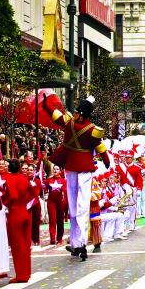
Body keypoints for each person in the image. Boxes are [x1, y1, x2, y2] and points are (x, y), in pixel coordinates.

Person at [41, 95, 110, 261]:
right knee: (78, 208)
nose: (76, 113)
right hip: (81, 167)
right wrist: (106, 159)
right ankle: (78, 243)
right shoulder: (92, 129)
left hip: (74, 166)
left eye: (78, 112)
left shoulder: (70, 122)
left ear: (83, 114)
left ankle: (79, 243)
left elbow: (56, 115)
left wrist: (46, 105)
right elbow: (99, 146)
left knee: (77, 207)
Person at [3, 159, 32, 281]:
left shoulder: (9, 178)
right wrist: (25, 201)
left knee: (17, 245)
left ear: (9, 168)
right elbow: (33, 192)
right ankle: (27, 272)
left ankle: (21, 275)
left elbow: (13, 195)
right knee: (25, 244)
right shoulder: (24, 178)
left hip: (15, 213)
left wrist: (5, 203)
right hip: (24, 210)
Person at [45, 165, 66, 245]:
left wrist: (62, 189)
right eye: (54, 169)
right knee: (52, 220)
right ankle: (52, 238)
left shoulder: (63, 180)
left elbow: (65, 190)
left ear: (60, 171)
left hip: (60, 202)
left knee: (60, 220)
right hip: (51, 202)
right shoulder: (49, 180)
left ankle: (59, 238)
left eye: (57, 169)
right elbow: (45, 190)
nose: (55, 170)